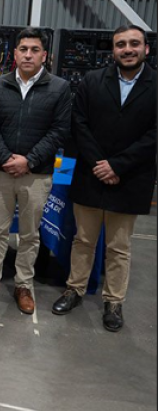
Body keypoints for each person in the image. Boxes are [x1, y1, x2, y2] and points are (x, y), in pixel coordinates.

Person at [51, 25, 156, 332]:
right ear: (113, 50)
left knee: (119, 246)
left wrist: (118, 165)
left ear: (146, 49)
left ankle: (114, 301)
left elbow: (154, 135)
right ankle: (75, 289)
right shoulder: (92, 80)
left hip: (131, 178)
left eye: (134, 44)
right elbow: (78, 124)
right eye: (121, 44)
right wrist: (101, 164)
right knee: (83, 240)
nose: (127, 49)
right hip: (91, 174)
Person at [0, 28, 71, 314]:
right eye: (23, 49)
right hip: (2, 173)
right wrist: (5, 158)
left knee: (29, 234)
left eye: (34, 49)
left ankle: (24, 285)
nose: (28, 54)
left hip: (37, 175)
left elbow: (59, 131)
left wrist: (29, 160)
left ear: (44, 55)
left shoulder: (59, 88)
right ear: (14, 54)